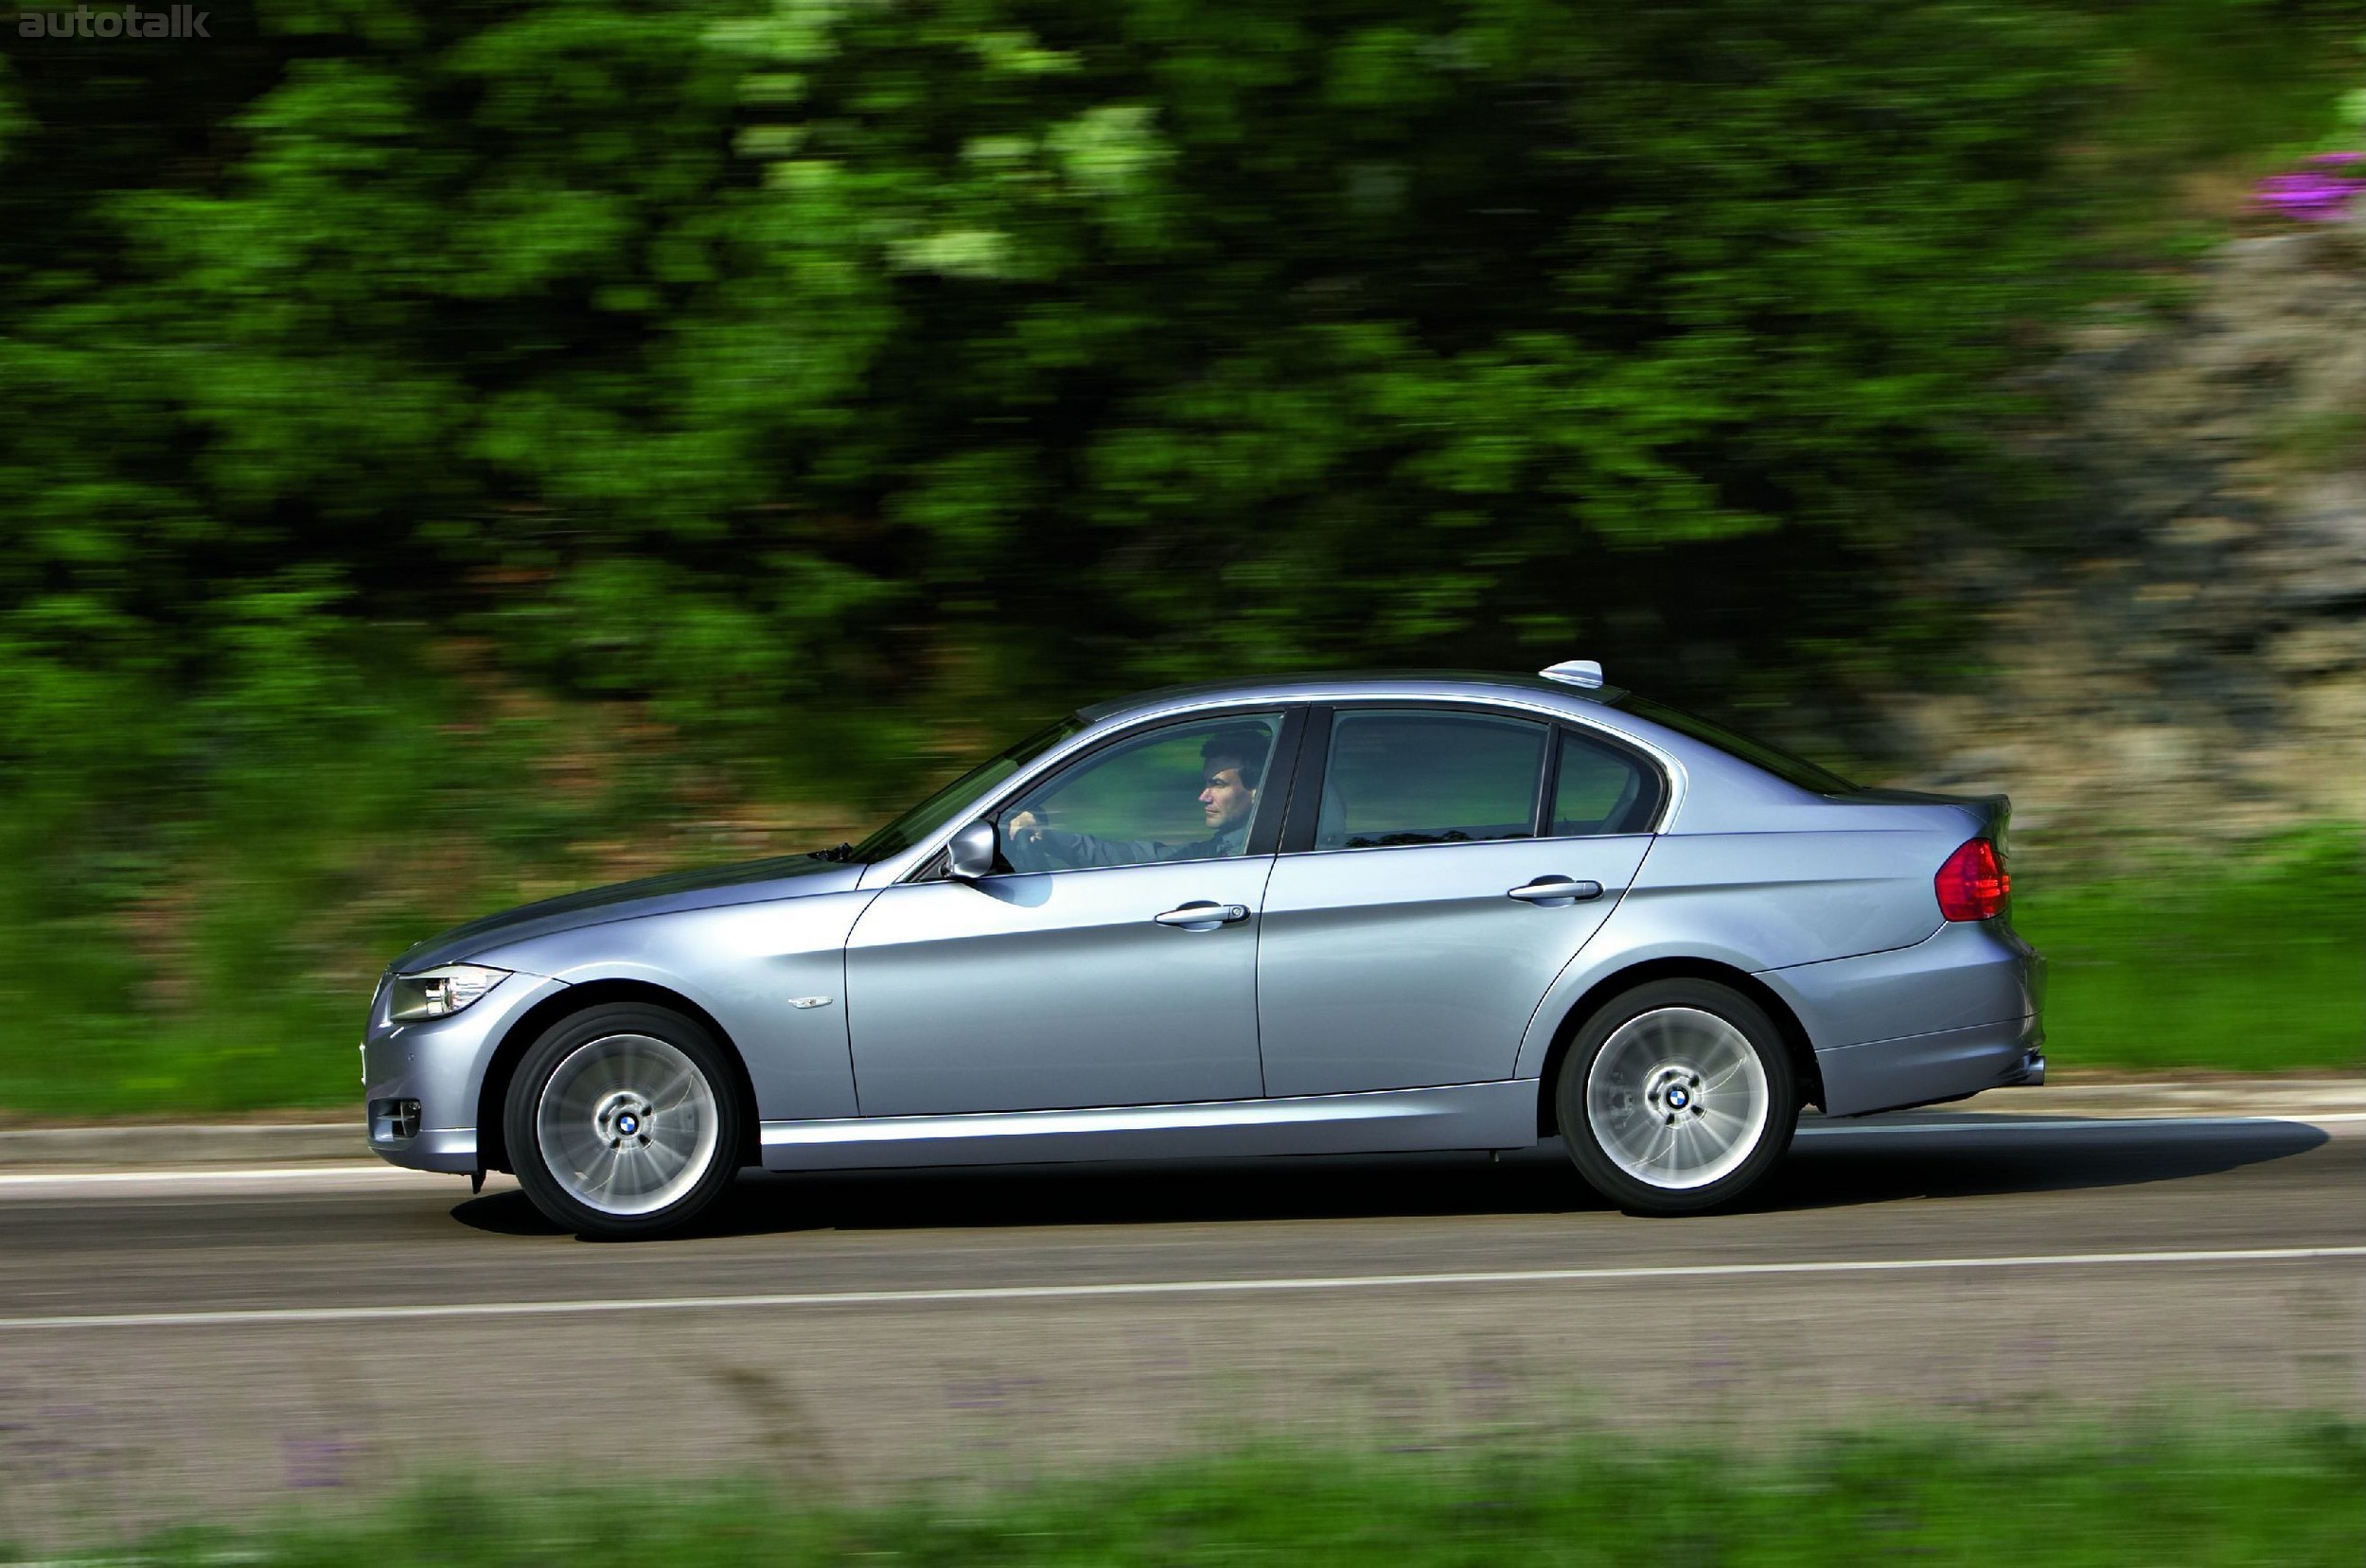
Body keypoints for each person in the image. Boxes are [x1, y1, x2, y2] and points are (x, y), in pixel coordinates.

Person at [1002, 727, 1270, 871]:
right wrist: (1050, 837)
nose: (1203, 796)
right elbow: (1138, 856)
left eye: (1218, 784)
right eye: (1205, 783)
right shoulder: (1227, 848)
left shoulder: (1245, 856)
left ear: (1256, 790)